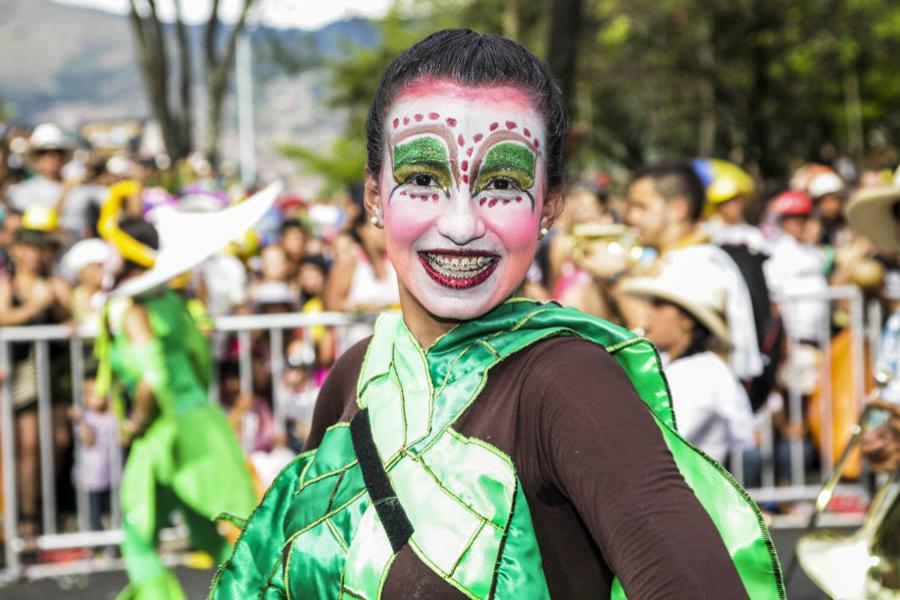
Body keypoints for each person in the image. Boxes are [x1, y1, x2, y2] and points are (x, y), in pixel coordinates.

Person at [211, 29, 783, 599]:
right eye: (421, 179)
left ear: (550, 204)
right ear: (372, 196)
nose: (462, 225)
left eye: (503, 183)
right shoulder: (355, 375)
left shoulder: (566, 384)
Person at [96, 182, 258, 599]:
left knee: (137, 534)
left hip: (165, 435)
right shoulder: (174, 302)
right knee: (212, 533)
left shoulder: (136, 311)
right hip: (203, 426)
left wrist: (133, 423)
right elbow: (199, 361)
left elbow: (152, 379)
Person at [623, 262, 755, 464]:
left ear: (686, 321)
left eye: (660, 306)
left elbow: (662, 438)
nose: (650, 316)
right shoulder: (671, 364)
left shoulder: (704, 372)